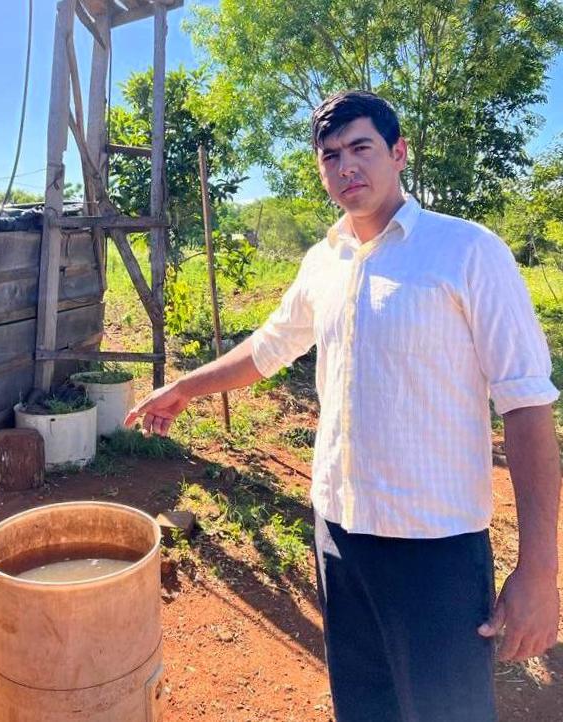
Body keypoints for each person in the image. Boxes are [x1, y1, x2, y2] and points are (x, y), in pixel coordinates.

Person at [125, 90, 562, 721]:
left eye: (361, 148)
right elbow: (270, 348)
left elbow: (526, 406)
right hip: (338, 538)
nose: (345, 166)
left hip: (434, 550)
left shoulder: (467, 252)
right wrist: (187, 386)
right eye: (330, 155)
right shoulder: (323, 262)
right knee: (363, 708)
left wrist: (539, 571)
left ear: (399, 153)